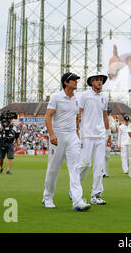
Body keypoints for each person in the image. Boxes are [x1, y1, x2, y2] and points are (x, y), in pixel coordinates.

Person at [42, 72, 90, 211]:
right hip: (57, 136)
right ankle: (47, 197)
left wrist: (76, 132)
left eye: (76, 80)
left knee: (75, 168)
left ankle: (77, 201)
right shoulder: (56, 97)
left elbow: (76, 115)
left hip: (72, 137)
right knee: (53, 168)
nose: (76, 81)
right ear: (66, 83)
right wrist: (51, 134)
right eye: (73, 80)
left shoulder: (76, 99)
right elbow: (48, 116)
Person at [78, 71, 111, 205]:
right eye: (97, 80)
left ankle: (96, 195)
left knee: (99, 166)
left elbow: (104, 116)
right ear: (91, 82)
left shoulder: (104, 96)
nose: (99, 82)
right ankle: (74, 188)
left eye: (101, 80)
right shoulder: (84, 95)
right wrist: (76, 131)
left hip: (100, 136)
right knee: (85, 163)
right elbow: (77, 113)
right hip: (86, 135)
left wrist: (108, 134)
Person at [103, 107, 117, 178]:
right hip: (101, 136)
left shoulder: (111, 118)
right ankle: (102, 172)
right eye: (107, 112)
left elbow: (114, 128)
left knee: (107, 155)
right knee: (101, 154)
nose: (108, 113)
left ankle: (106, 172)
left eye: (109, 112)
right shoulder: (101, 117)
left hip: (108, 136)